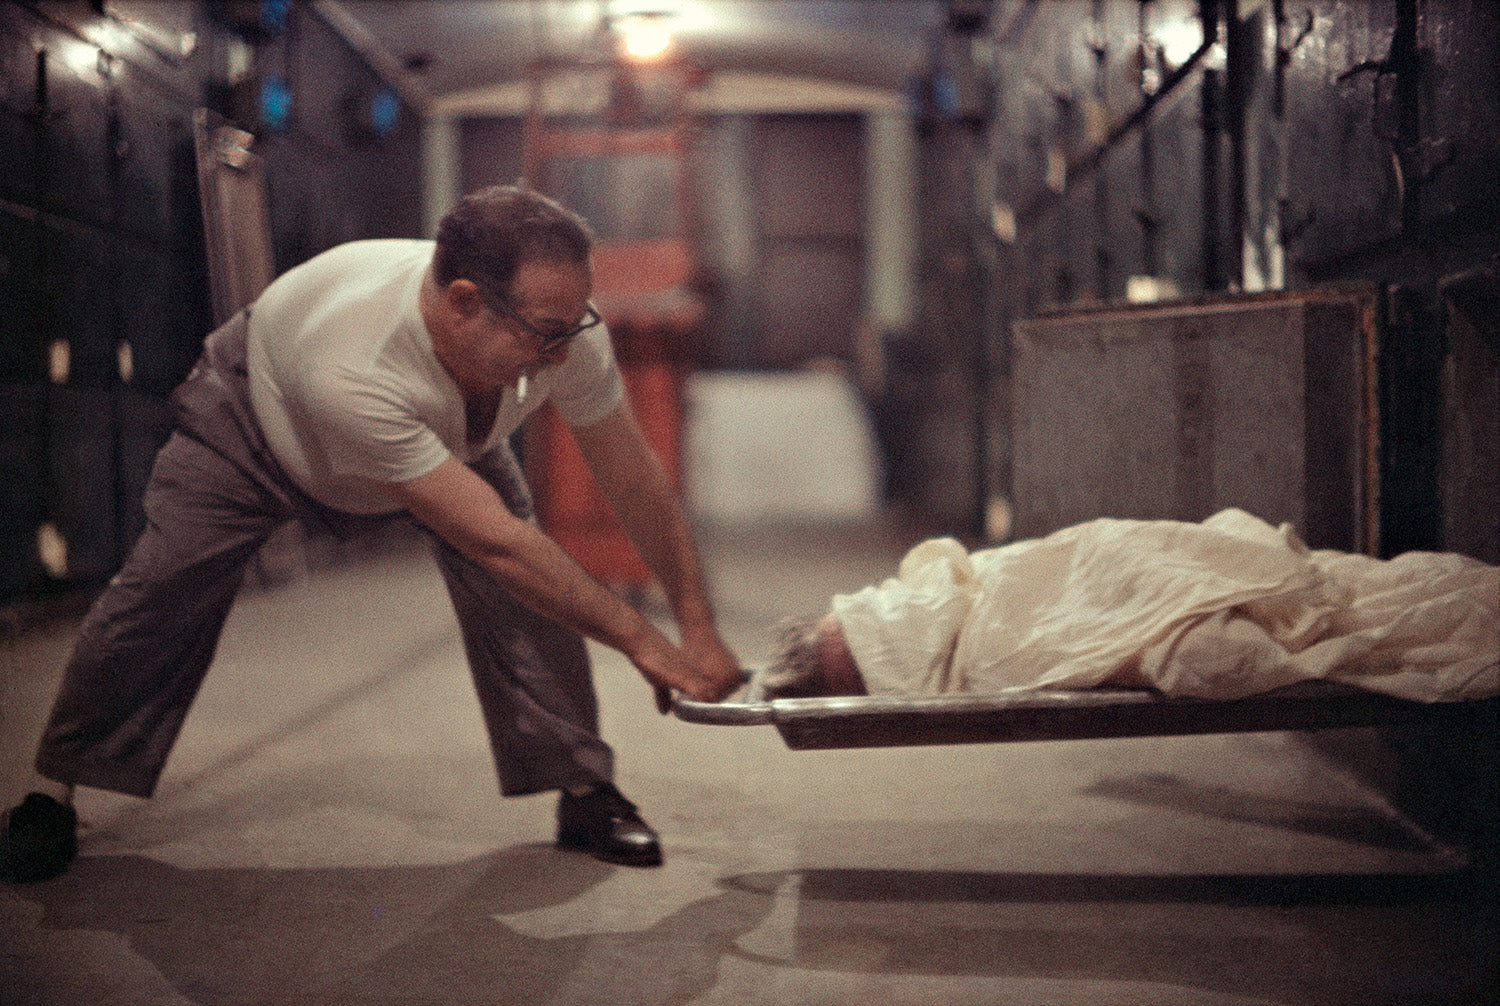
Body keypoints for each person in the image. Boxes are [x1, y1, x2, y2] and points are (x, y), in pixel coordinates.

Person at [3, 185, 743, 883]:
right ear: (462, 304)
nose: (564, 352)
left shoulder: (561, 330)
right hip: (257, 420)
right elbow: (498, 546)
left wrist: (698, 624)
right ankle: (53, 792)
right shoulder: (353, 360)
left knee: (529, 598)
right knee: (162, 588)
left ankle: (585, 789)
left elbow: (633, 478)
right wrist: (645, 643)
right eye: (546, 334)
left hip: (446, 430)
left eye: (574, 323)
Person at [764, 509, 1499, 705]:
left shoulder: (913, 594)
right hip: (1027, 616)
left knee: (1341, 590)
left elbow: (957, 587)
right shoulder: (957, 661)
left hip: (1082, 566)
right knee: (1217, 649)